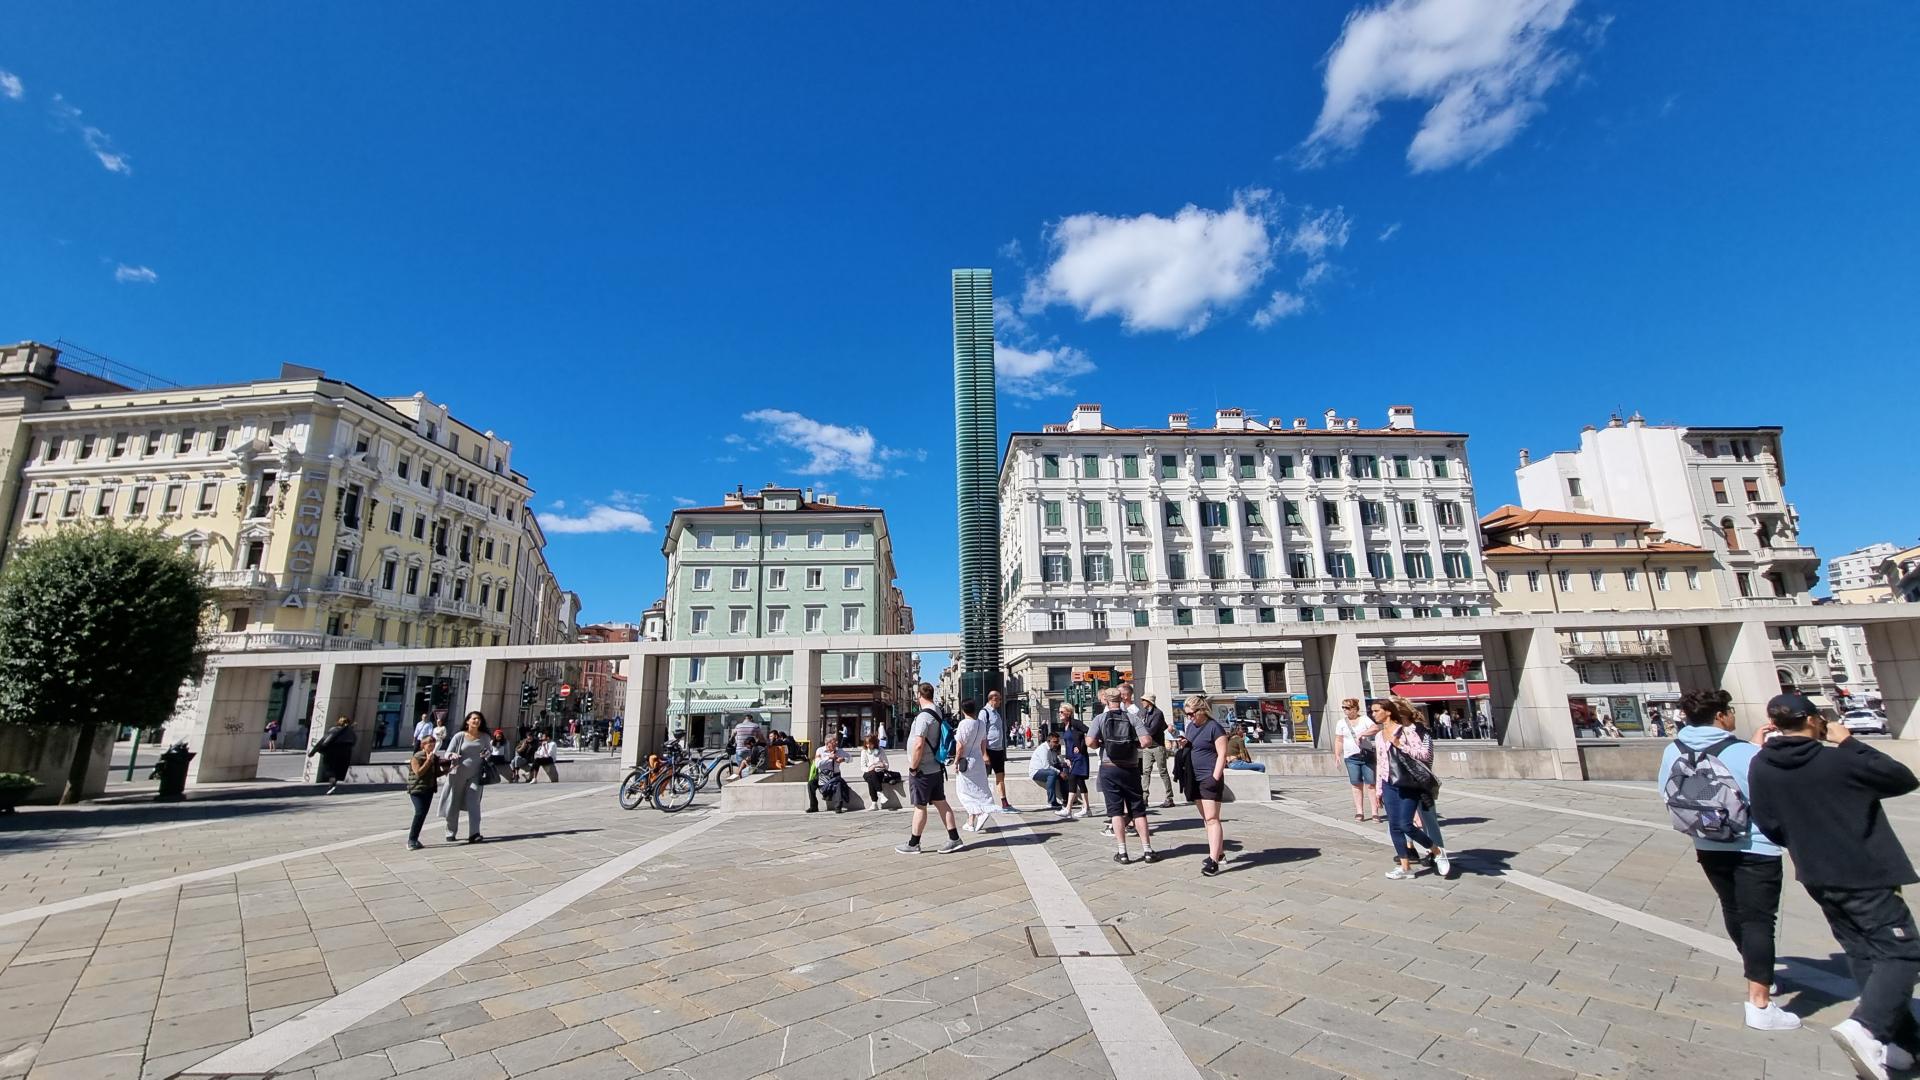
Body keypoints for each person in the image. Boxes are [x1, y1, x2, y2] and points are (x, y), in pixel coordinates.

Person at [1750, 693, 1920, 1078]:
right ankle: (1868, 1027)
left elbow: (1768, 823)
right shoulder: (1837, 759)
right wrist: (1849, 741)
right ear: (1813, 721)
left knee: (1862, 952)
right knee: (1902, 952)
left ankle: (1902, 1045)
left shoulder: (1762, 765)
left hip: (1816, 872)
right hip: (1865, 870)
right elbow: (1903, 778)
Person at [1657, 688, 1797, 1032]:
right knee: (1759, 920)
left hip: (1707, 845)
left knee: (1732, 909)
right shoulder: (1745, 754)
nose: (1732, 714)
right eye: (1729, 710)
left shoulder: (1674, 749)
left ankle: (1756, 970)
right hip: (1753, 846)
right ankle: (1760, 1002)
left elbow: (1670, 790)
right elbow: (1767, 796)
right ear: (1720, 716)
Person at [1374, 697, 1445, 880]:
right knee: (1394, 826)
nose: (1373, 714)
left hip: (1409, 782)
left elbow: (1423, 755)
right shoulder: (1379, 735)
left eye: (1376, 711)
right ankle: (1405, 867)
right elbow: (1380, 763)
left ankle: (1436, 850)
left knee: (1407, 824)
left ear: (1389, 711)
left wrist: (1400, 745)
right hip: (1389, 783)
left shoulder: (1407, 732)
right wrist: (1379, 789)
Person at [1090, 689, 1155, 864]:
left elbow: (1090, 742)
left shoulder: (1100, 719)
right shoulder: (1132, 717)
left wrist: (1100, 743)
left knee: (1116, 811)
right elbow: (1147, 741)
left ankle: (1122, 852)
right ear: (1121, 699)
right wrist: (1134, 745)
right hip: (1130, 767)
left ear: (1106, 701)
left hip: (1109, 767)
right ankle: (1147, 850)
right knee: (1138, 810)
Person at [896, 683, 963, 854]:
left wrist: (913, 767)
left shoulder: (924, 717)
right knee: (941, 802)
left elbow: (918, 744)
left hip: (923, 769)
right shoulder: (937, 710)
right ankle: (954, 839)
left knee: (920, 806)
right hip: (935, 767)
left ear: (919, 695)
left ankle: (913, 844)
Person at [1178, 695, 1228, 876]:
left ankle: (1213, 860)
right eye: (1187, 714)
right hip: (1194, 777)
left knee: (1213, 818)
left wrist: (1215, 777)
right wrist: (1185, 744)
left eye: (1191, 713)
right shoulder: (1191, 727)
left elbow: (1222, 755)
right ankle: (1218, 852)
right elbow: (1194, 746)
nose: (1189, 717)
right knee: (1206, 819)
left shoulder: (1215, 728)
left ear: (1201, 710)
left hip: (1208, 777)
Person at [439, 712, 492, 843]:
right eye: (474, 719)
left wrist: (487, 754)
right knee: (453, 802)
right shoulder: (459, 736)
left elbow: (489, 752)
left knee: (474, 803)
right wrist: (452, 755)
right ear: (467, 721)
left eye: (479, 719)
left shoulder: (484, 737)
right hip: (458, 774)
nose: (476, 721)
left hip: (476, 774)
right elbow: (447, 753)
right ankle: (450, 831)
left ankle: (474, 833)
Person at [1334, 698, 1383, 822]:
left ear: (1355, 709)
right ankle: (1359, 812)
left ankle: (1374, 812)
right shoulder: (1341, 723)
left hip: (1366, 755)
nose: (1345, 710)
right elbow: (1339, 740)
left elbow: (1375, 728)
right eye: (1343, 707)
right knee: (1356, 784)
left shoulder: (1364, 719)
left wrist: (1363, 734)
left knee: (1371, 784)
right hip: (1351, 757)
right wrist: (1337, 755)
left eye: (1348, 708)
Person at [953, 699, 997, 832]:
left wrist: (956, 761)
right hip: (978, 760)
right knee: (978, 789)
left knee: (963, 791)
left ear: (963, 710)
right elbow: (983, 742)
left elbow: (960, 746)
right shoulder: (981, 724)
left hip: (966, 761)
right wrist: (984, 755)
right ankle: (970, 822)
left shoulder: (963, 724)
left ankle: (980, 812)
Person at [1055, 703, 1091, 819]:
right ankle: (1086, 809)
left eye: (1062, 712)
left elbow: (1088, 731)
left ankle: (1068, 809)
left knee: (1072, 779)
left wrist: (1081, 746)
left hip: (1079, 757)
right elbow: (1068, 743)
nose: (1059, 714)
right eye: (1059, 712)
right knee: (1080, 782)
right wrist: (1067, 758)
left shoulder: (1075, 723)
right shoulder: (1065, 726)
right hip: (1072, 758)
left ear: (1068, 713)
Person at [405, 735, 441, 850]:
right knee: (419, 813)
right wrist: (428, 761)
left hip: (429, 789)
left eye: (434, 742)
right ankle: (411, 840)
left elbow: (436, 774)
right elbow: (419, 773)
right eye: (429, 742)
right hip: (416, 789)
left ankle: (415, 839)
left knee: (423, 815)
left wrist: (448, 769)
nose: (432, 744)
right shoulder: (417, 757)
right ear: (423, 745)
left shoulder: (434, 757)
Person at [1139, 694, 1174, 809]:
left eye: (1144, 700)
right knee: (1145, 772)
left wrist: (1141, 729)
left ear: (1149, 702)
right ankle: (1144, 798)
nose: (1142, 702)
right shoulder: (1144, 713)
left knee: (1163, 771)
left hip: (1158, 746)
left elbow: (1152, 730)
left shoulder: (1157, 713)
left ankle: (1169, 797)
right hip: (1147, 747)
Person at [983, 690, 1014, 812]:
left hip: (998, 750)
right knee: (984, 777)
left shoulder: (997, 713)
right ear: (993, 699)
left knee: (1000, 776)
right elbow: (982, 734)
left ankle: (1004, 802)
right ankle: (983, 802)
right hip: (989, 750)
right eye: (1000, 699)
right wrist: (984, 754)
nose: (1001, 701)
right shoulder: (984, 713)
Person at [309, 716, 357, 793]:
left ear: (338, 722)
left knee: (330, 769)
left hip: (332, 751)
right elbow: (354, 742)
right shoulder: (351, 732)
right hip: (346, 752)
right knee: (339, 769)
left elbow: (324, 741)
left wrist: (313, 752)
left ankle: (332, 785)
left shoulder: (334, 729)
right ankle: (334, 784)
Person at [815, 735, 850, 813]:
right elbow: (817, 764)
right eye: (834, 743)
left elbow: (850, 758)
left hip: (835, 774)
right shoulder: (820, 750)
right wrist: (829, 758)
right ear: (828, 744)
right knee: (811, 784)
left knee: (838, 784)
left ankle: (838, 807)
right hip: (823, 775)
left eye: (836, 743)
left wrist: (843, 759)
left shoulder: (839, 751)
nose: (836, 744)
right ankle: (813, 806)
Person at [1028, 731, 1063, 809]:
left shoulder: (1053, 748)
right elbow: (1046, 766)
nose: (1056, 744)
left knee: (1064, 770)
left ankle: (1066, 798)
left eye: (1058, 742)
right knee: (1053, 773)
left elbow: (1057, 762)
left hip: (1046, 770)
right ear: (1048, 741)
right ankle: (1051, 802)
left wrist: (1059, 754)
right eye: (1055, 742)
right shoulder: (1043, 749)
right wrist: (1059, 772)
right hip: (1036, 772)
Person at [861, 734, 892, 811]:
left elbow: (886, 765)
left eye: (870, 744)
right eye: (867, 744)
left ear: (874, 743)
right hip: (868, 772)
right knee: (871, 773)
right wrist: (870, 768)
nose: (868, 746)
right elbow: (862, 767)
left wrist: (878, 765)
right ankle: (880, 792)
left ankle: (874, 803)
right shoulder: (864, 752)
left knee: (871, 779)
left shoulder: (881, 750)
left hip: (879, 772)